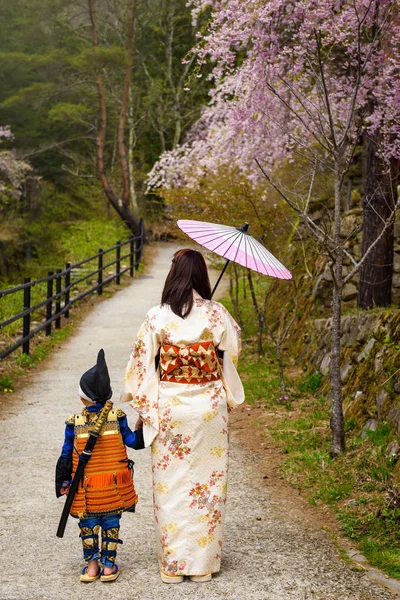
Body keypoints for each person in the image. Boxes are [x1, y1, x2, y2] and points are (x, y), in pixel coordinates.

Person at [122, 249, 244, 584]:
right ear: (202, 275)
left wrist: (143, 402)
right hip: (207, 407)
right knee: (207, 482)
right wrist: (210, 348)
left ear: (174, 274)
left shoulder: (157, 316)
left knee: (171, 483)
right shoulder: (217, 313)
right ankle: (203, 564)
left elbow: (140, 364)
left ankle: (173, 565)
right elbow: (233, 351)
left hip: (171, 406)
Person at [55, 349, 144, 583]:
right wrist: (141, 427)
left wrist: (64, 483)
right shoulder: (118, 417)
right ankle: (109, 567)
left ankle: (92, 567)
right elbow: (134, 443)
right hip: (114, 487)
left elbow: (66, 455)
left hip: (85, 490)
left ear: (84, 397)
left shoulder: (74, 423)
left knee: (88, 525)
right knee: (111, 523)